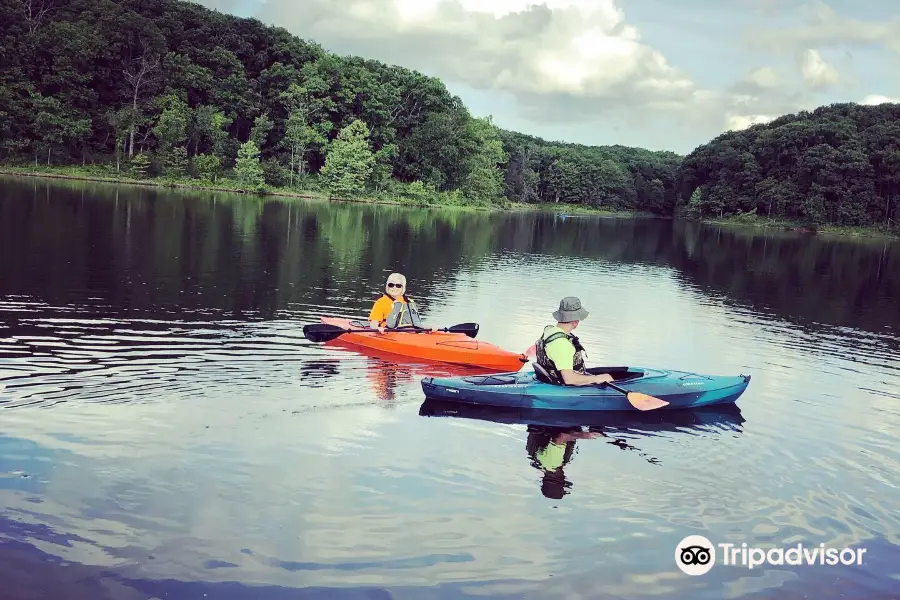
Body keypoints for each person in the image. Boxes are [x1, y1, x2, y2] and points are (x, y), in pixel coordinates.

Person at [534, 296, 614, 386]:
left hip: (548, 379)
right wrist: (597, 378)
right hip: (563, 387)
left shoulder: (549, 331)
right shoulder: (562, 344)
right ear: (575, 321)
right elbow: (569, 379)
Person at [368, 273, 434, 333]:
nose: (394, 288)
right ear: (387, 286)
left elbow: (415, 322)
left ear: (403, 287)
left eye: (398, 285)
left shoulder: (408, 302)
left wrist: (427, 327)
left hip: (410, 332)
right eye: (391, 285)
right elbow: (374, 322)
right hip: (390, 333)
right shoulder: (381, 302)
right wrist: (377, 328)